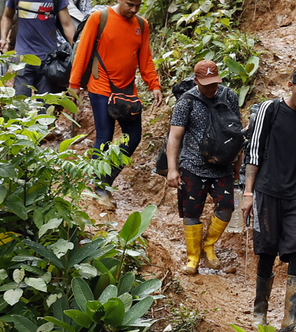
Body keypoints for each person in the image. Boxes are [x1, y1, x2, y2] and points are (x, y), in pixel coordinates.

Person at [241, 66, 296, 329]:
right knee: (266, 250)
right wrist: (248, 192)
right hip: (266, 190)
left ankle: (289, 318)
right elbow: (253, 152)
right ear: (290, 85)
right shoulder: (270, 110)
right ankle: (260, 311)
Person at [68, 0, 162, 209]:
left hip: (127, 90)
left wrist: (154, 84)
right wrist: (74, 84)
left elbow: (145, 58)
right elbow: (83, 52)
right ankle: (100, 189)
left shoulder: (142, 25)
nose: (134, 9)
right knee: (104, 136)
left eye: (138, 5)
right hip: (100, 85)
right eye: (130, 4)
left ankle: (105, 179)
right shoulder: (99, 19)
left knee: (134, 137)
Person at [165, 60, 240, 275]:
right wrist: (172, 169)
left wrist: (237, 163)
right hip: (192, 165)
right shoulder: (186, 102)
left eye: (214, 83)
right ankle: (193, 257)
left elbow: (236, 132)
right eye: (206, 84)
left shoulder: (229, 97)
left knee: (226, 206)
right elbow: (175, 137)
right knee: (191, 212)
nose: (211, 88)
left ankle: (208, 246)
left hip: (222, 165)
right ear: (196, 80)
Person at [0, 0, 75, 96]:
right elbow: (7, 16)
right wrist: (3, 37)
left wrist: (77, 48)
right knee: (20, 102)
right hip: (22, 58)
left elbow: (67, 25)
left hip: (48, 59)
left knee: (46, 105)